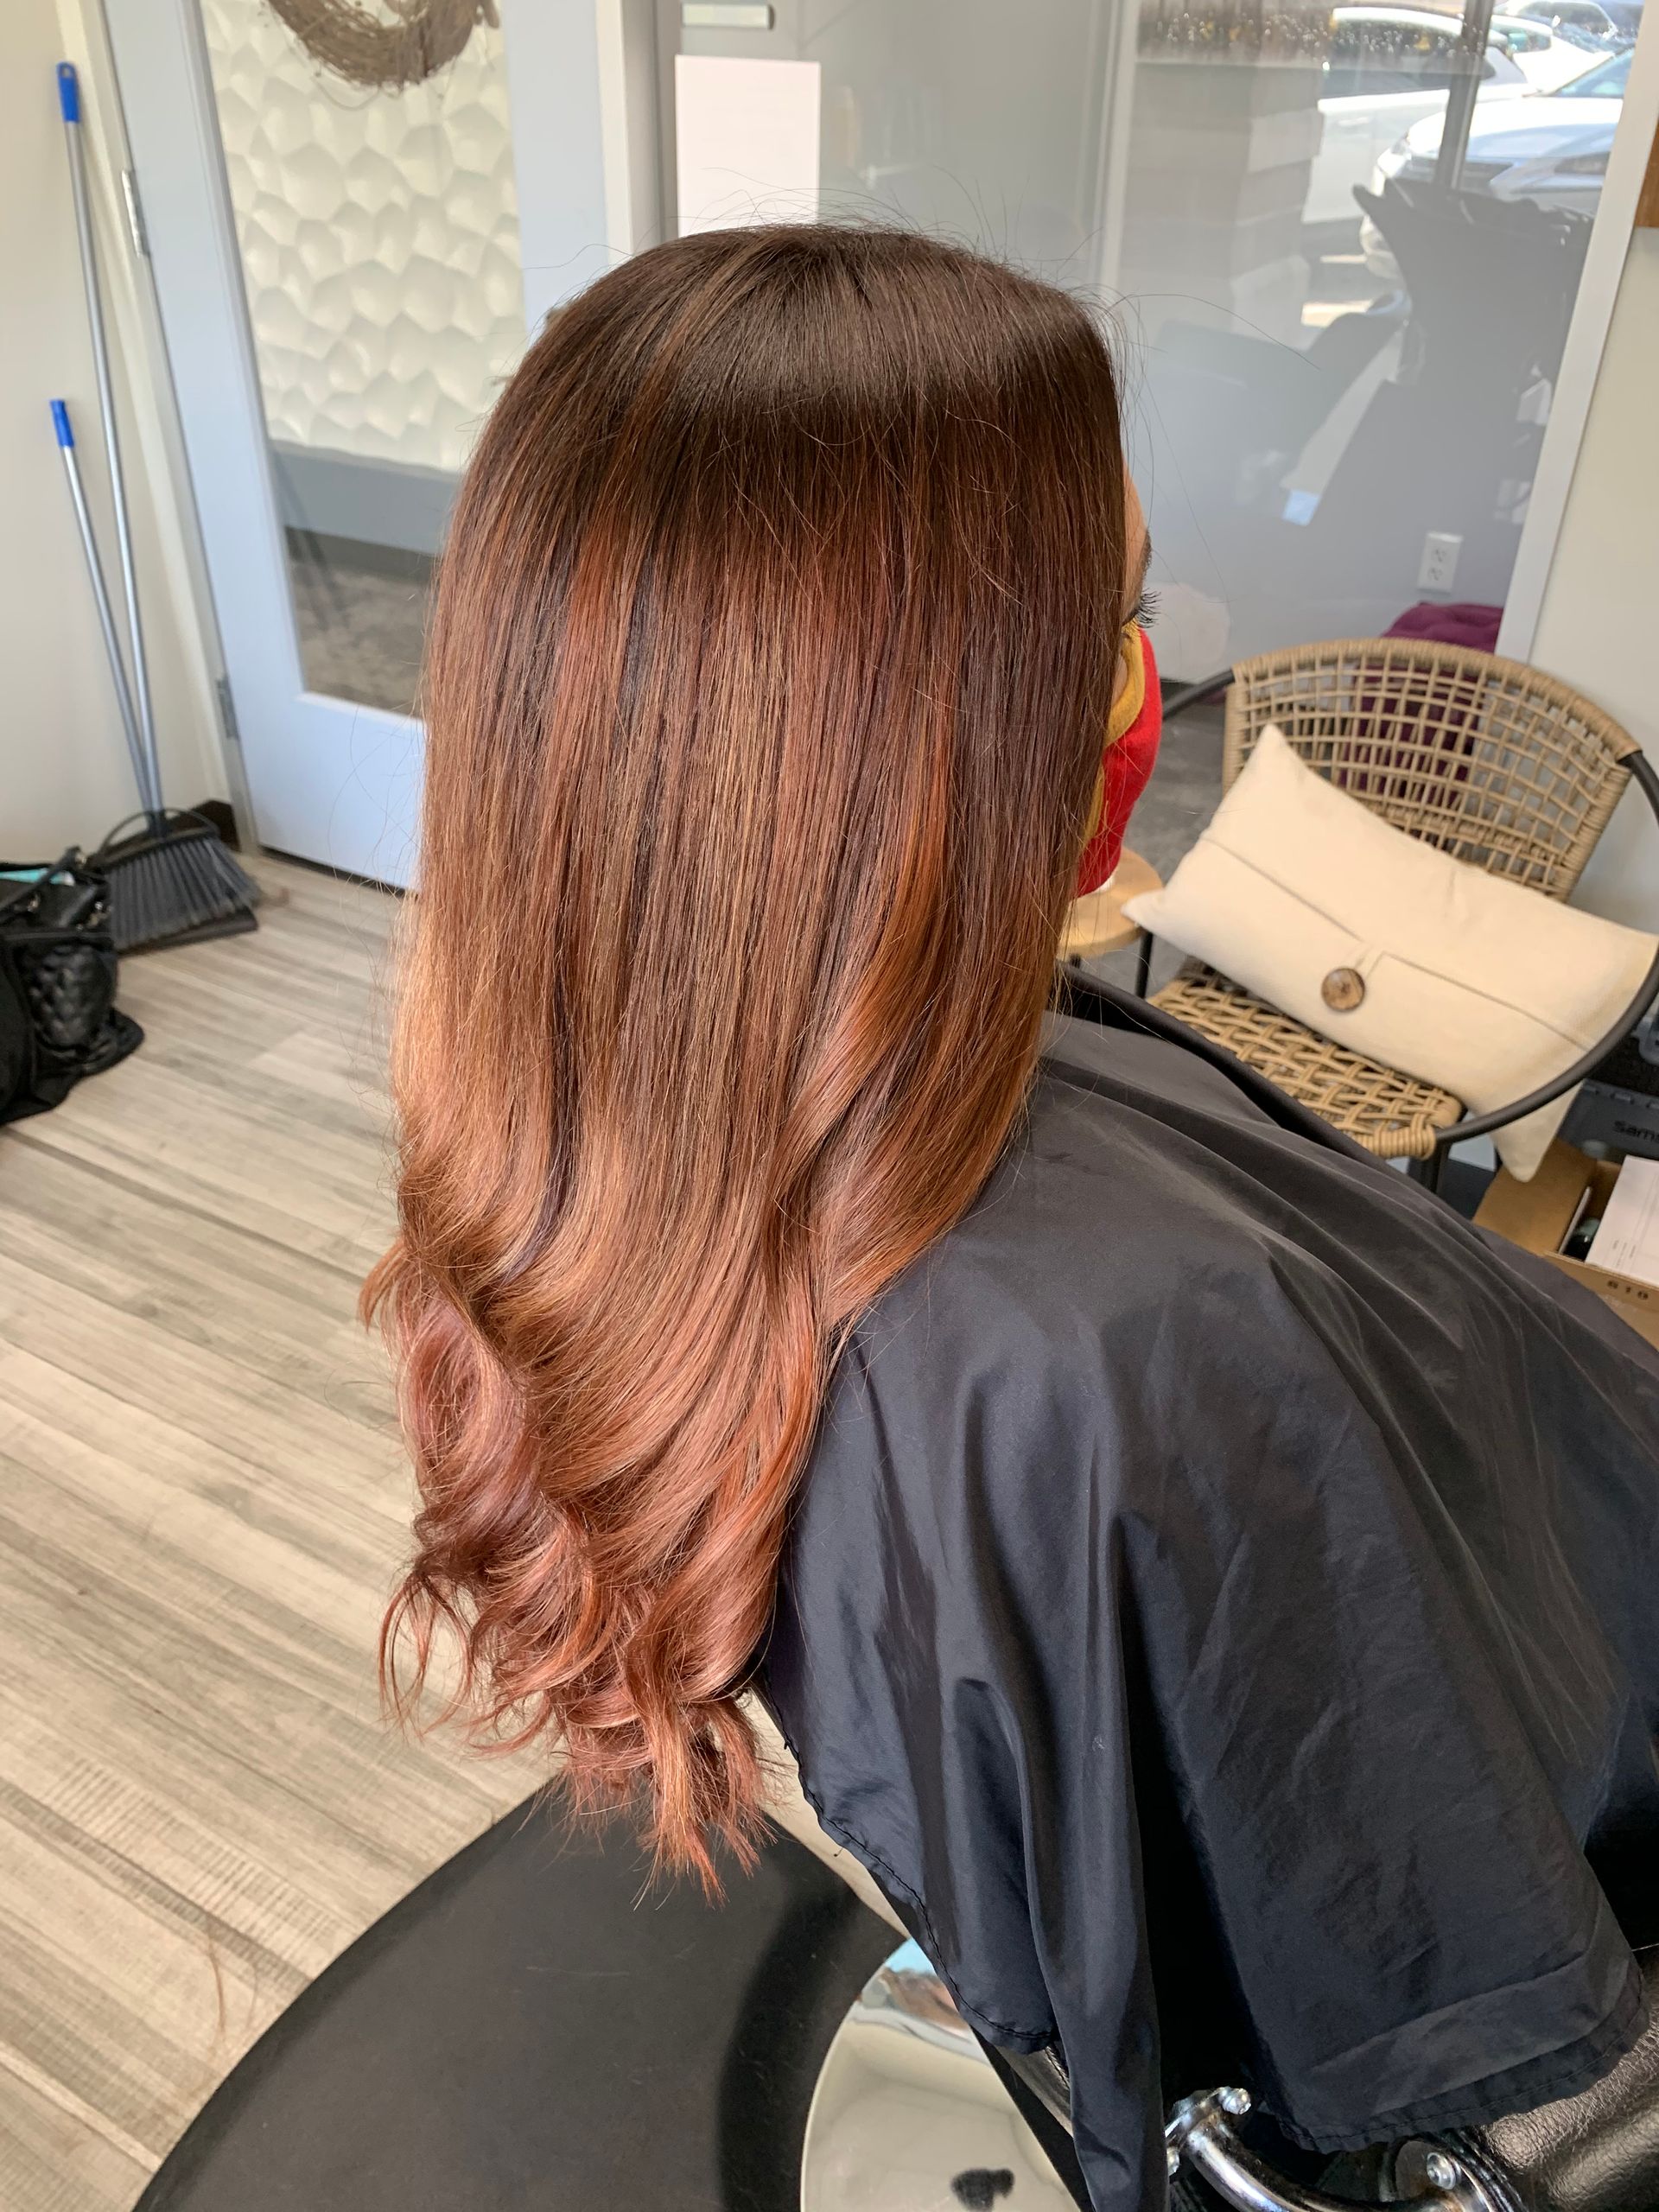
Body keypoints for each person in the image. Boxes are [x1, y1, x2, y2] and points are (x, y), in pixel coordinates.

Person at [366, 225, 1659, 2212]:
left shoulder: (611, 1126)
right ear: (906, 736)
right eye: (1115, 620)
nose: (1152, 684)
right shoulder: (1115, 1350)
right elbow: (1448, 1944)